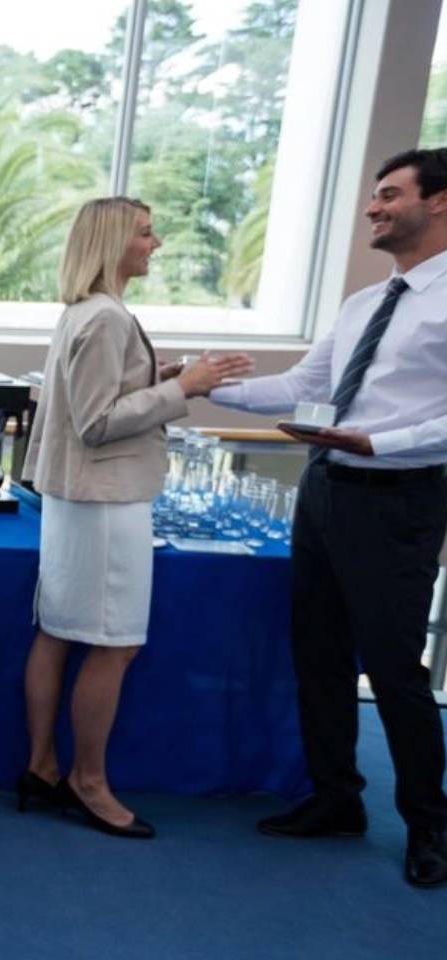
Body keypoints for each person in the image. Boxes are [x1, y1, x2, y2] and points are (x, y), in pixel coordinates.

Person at [210, 148, 447, 888]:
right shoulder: (362, 303)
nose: (374, 209)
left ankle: (430, 828)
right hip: (325, 489)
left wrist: (378, 440)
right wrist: (197, 381)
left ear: (438, 202)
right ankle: (335, 799)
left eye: (388, 195)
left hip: (399, 496)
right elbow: (300, 387)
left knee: (394, 669)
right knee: (318, 654)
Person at [15, 197, 250, 839]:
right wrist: (185, 388)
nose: (157, 243)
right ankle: (86, 781)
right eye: (146, 233)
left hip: (76, 502)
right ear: (115, 242)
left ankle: (41, 767)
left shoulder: (83, 313)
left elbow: (98, 401)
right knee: (116, 645)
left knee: (58, 630)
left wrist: (162, 376)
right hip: (107, 505)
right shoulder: (108, 317)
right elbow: (98, 424)